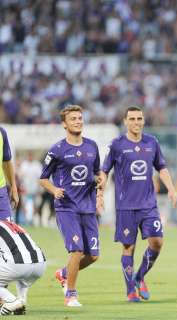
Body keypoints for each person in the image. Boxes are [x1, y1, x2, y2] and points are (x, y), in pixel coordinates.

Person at [100, 106, 177, 302]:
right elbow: (104, 170)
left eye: (139, 118)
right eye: (132, 119)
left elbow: (162, 167)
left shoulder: (152, 142)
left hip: (148, 204)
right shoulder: (117, 144)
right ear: (125, 122)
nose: (136, 122)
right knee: (128, 248)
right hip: (125, 206)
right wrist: (100, 191)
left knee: (157, 242)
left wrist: (171, 188)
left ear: (144, 121)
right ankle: (130, 290)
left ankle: (140, 276)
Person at [39, 105, 104, 307]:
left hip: (88, 207)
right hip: (67, 207)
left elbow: (98, 174)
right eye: (73, 119)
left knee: (92, 256)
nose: (77, 121)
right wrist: (54, 190)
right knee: (76, 251)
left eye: (79, 118)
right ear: (64, 124)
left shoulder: (92, 146)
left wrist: (100, 189)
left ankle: (63, 273)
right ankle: (71, 294)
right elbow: (43, 179)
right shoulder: (57, 149)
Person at [0, 220, 46, 315]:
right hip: (40, 264)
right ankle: (21, 301)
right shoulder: (12, 224)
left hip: (19, 265)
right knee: (22, 277)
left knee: (18, 268)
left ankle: (12, 301)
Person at [0, 126, 18, 221]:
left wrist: (14, 187)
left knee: (7, 230)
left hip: (1, 192)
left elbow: (7, 162)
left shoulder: (2, 132)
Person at [19, 152, 43, 224]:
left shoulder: (37, 165)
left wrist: (40, 189)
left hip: (35, 189)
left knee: (36, 204)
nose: (30, 157)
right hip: (25, 189)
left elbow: (40, 178)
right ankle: (26, 220)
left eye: (31, 156)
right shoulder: (24, 165)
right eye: (29, 156)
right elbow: (20, 177)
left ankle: (33, 219)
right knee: (24, 205)